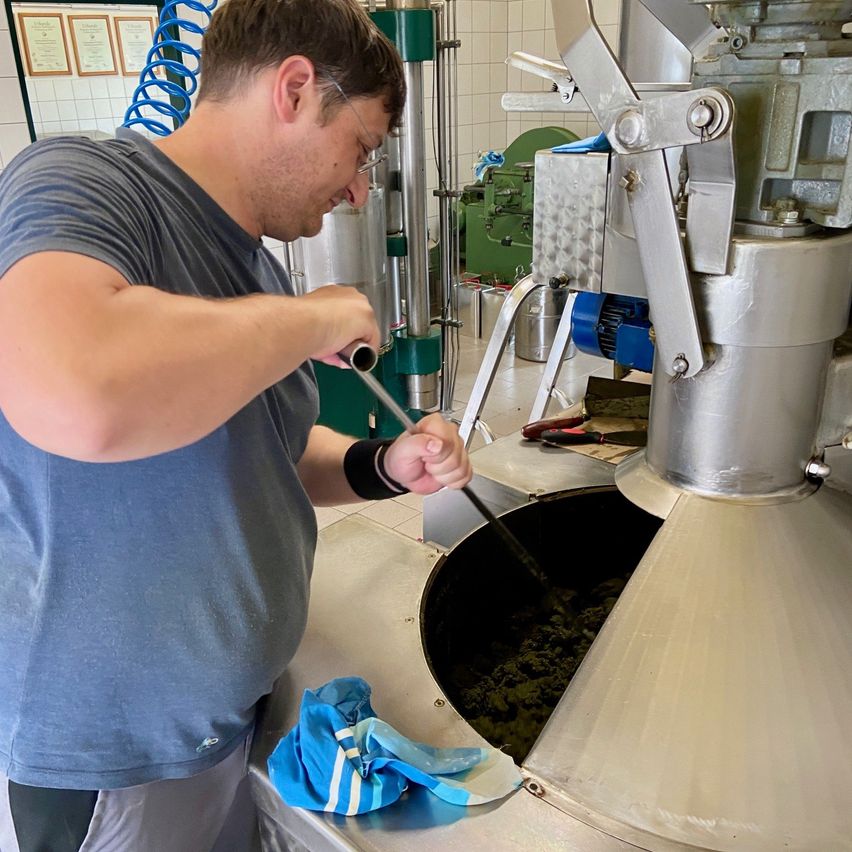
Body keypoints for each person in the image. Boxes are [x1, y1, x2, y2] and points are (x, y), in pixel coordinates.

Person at [0, 0, 472, 848]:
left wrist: (383, 465)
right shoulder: (80, 182)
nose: (360, 187)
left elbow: (268, 455)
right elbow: (79, 391)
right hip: (120, 763)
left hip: (228, 724)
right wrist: (311, 322)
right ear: (294, 88)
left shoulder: (254, 268)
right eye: (360, 147)